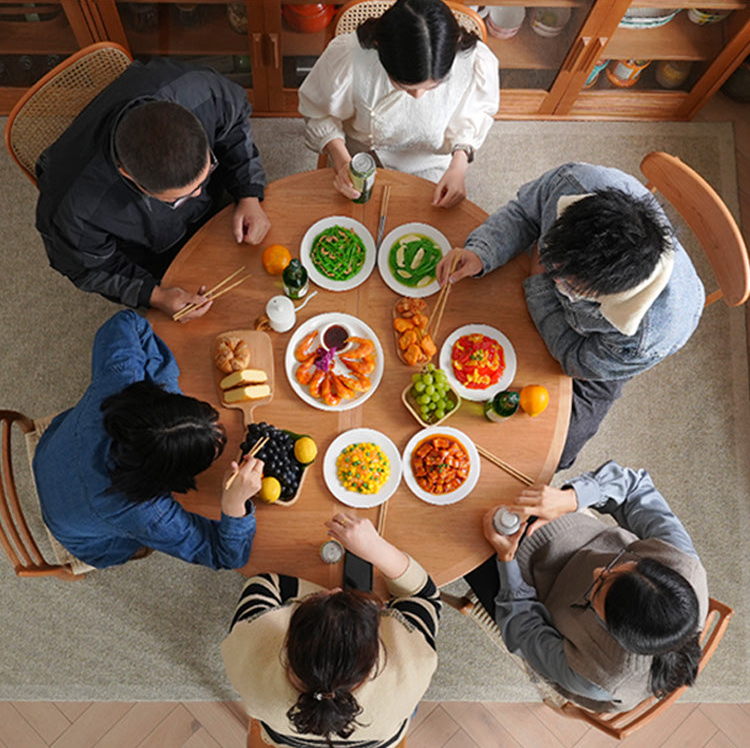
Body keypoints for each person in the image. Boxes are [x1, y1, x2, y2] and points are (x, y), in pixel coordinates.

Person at [436, 162, 705, 469]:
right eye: (553, 259)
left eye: (568, 284)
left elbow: (576, 361)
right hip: (553, 277)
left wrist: (538, 282)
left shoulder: (652, 334)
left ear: (607, 293)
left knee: (554, 452)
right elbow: (526, 214)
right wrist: (482, 251)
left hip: (598, 352)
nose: (555, 278)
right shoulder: (577, 182)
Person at [36, 57, 270, 322]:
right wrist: (156, 296)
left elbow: (235, 125)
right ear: (127, 174)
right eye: (178, 198)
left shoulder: (198, 90)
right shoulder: (73, 209)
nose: (198, 194)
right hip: (154, 255)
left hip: (226, 205)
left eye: (205, 173)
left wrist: (248, 193)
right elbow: (91, 268)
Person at [466, 461, 708, 712]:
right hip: (571, 532)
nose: (598, 570)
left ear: (608, 627)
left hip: (531, 598)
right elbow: (634, 487)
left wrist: (507, 559)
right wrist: (572, 499)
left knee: (456, 540)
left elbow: (524, 632)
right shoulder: (681, 564)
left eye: (598, 588)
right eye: (618, 564)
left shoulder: (598, 677)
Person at [32, 310, 263, 569]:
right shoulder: (146, 514)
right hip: (80, 536)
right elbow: (228, 556)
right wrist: (233, 504)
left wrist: (166, 391)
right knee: (129, 541)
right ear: (172, 475)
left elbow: (126, 321)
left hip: (50, 452)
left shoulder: (120, 383)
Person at [222, 513, 441, 746]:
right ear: (376, 651)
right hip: (380, 732)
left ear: (287, 641)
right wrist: (376, 548)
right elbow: (422, 593)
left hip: (281, 733)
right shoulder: (413, 664)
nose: (337, 589)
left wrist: (316, 597)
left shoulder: (250, 654)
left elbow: (263, 584)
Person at [298, 0, 499, 208]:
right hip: (360, 160)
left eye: (432, 87)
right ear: (380, 49)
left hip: (430, 165)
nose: (418, 96)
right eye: (404, 86)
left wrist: (458, 167)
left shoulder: (473, 63)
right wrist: (341, 161)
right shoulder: (350, 58)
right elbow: (318, 112)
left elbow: (474, 118)